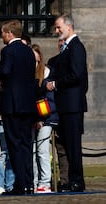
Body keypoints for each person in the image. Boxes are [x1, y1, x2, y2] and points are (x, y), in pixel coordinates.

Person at [0, 20, 37, 195]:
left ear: (9, 33)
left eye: (3, 33)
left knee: (15, 144)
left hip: (12, 104)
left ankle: (20, 184)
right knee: (27, 143)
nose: (2, 36)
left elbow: (4, 71)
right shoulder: (28, 51)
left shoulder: (8, 51)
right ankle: (29, 183)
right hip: (27, 104)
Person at [46, 14, 88, 192]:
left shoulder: (76, 47)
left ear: (68, 27)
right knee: (68, 145)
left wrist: (55, 84)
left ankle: (77, 180)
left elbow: (76, 75)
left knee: (73, 144)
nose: (56, 31)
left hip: (72, 105)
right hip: (66, 105)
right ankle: (73, 179)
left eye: (58, 27)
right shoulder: (68, 48)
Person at [31, 44, 58, 193]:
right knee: (32, 151)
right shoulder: (28, 74)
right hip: (32, 118)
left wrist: (41, 118)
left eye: (36, 59)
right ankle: (34, 181)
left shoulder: (47, 73)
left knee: (42, 150)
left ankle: (45, 182)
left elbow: (49, 100)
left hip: (46, 117)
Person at [47, 39, 70, 192]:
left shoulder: (71, 60)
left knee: (63, 148)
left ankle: (65, 180)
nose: (61, 44)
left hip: (66, 108)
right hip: (52, 108)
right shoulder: (52, 62)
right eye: (60, 42)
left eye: (64, 42)